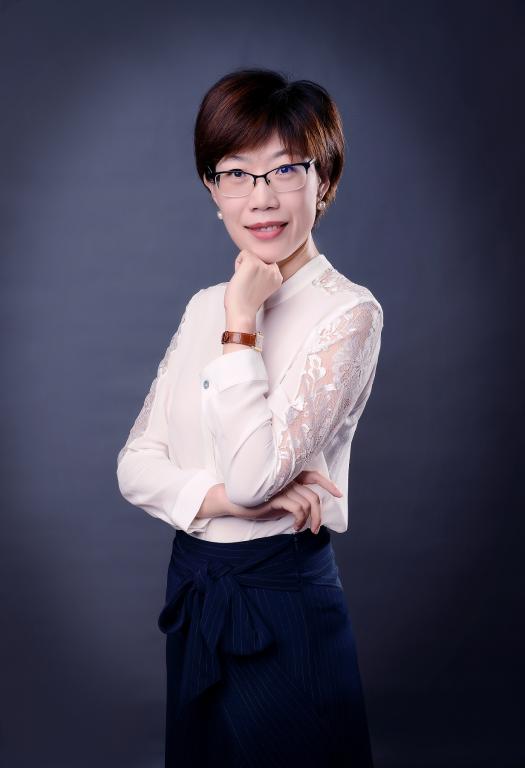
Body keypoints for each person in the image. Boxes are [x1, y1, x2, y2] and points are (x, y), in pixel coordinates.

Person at [116, 67, 383, 767]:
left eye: (285, 169)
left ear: (324, 180)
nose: (260, 197)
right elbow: (134, 467)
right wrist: (230, 503)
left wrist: (242, 324)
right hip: (195, 591)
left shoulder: (348, 313)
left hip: (282, 600)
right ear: (213, 191)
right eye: (235, 173)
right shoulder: (203, 303)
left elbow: (255, 473)